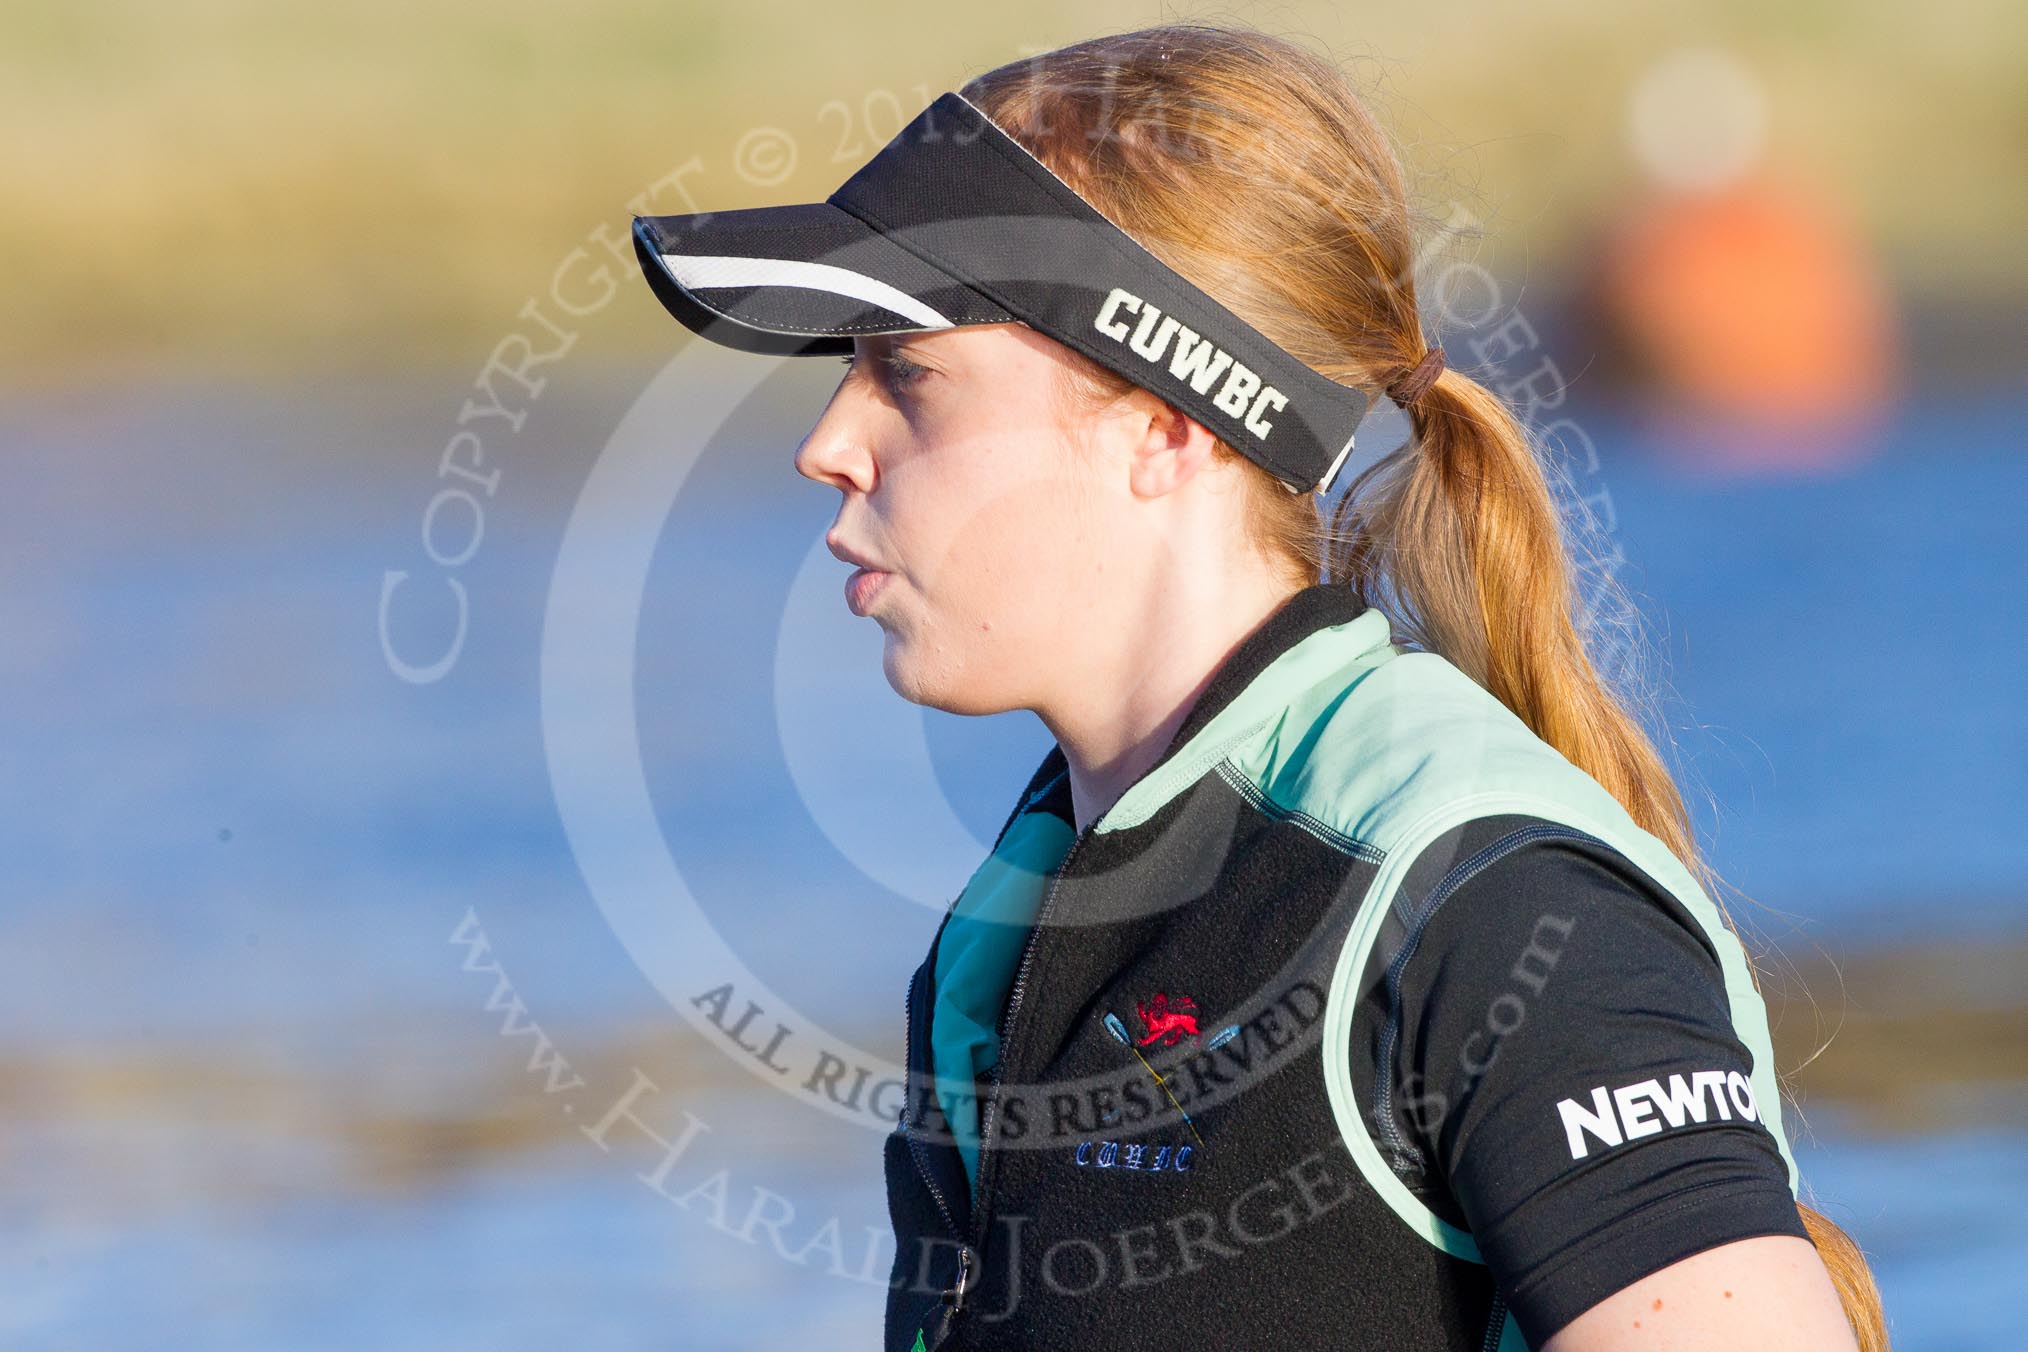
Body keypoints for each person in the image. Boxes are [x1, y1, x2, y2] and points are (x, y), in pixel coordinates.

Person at [628, 23, 1887, 1352]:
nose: (830, 444)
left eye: (912, 376)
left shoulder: (1492, 902)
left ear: (1166, 424)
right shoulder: (1029, 916)